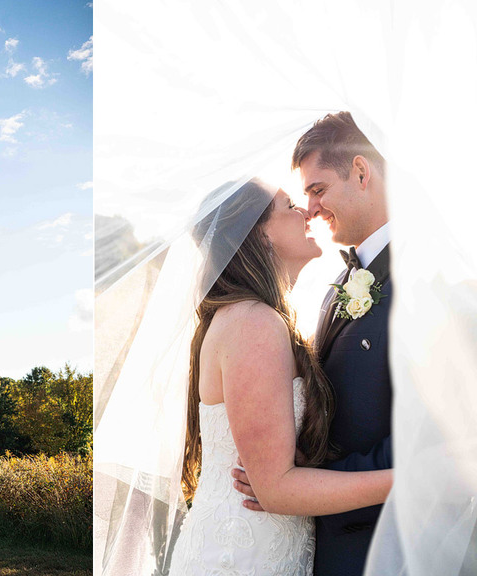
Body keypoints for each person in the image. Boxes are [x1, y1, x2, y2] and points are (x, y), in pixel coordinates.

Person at [164, 177, 391, 575]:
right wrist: (409, 480)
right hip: (242, 555)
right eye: (288, 206)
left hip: (264, 545)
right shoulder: (253, 321)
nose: (305, 210)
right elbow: (276, 490)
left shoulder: (253, 317)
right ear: (259, 236)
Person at [233, 112, 393, 576]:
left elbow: (433, 440)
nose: (311, 209)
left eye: (318, 190)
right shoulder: (332, 289)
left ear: (361, 173)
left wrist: (298, 486)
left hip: (384, 548)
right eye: (301, 198)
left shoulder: (428, 282)